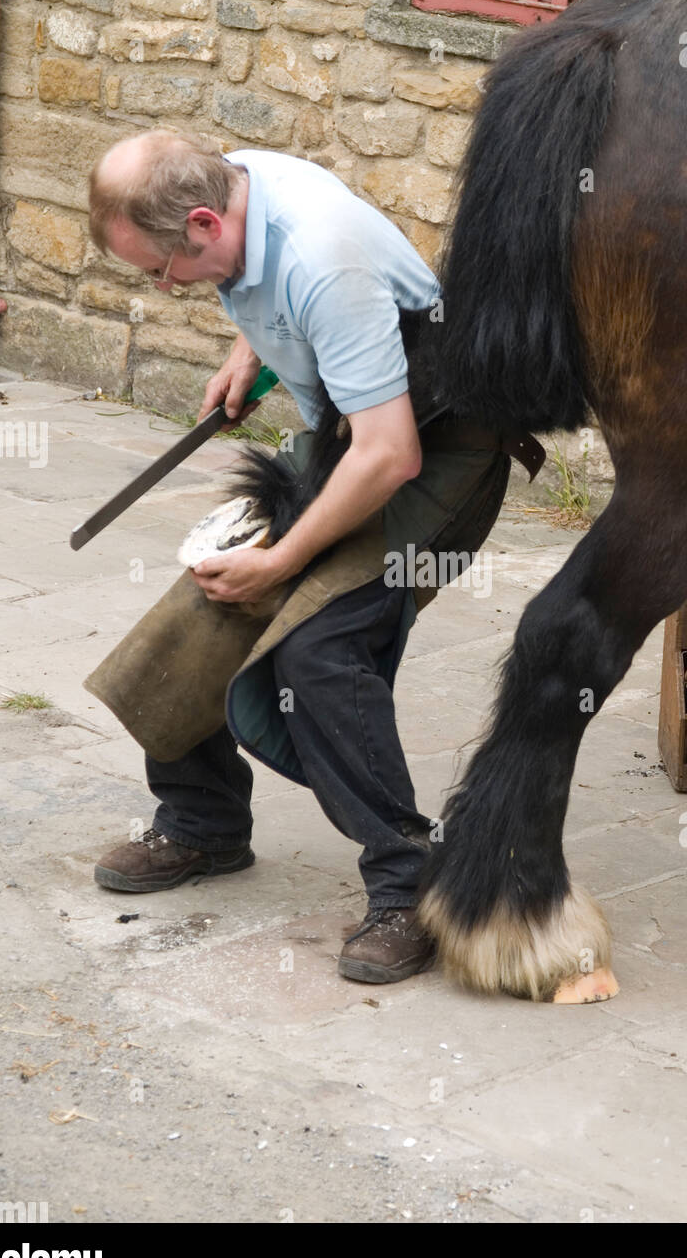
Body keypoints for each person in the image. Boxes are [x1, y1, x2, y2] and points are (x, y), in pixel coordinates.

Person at [82, 130, 540, 985]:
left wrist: (283, 558)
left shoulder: (325, 264)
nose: (164, 286)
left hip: (437, 455)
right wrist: (249, 347)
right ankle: (202, 823)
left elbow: (391, 456)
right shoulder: (229, 174)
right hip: (350, 434)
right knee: (201, 604)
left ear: (207, 222)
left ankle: (411, 888)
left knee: (316, 646)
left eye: (161, 269)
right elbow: (262, 285)